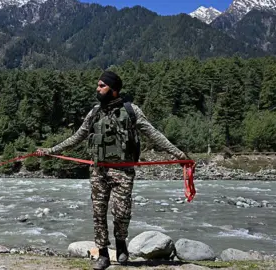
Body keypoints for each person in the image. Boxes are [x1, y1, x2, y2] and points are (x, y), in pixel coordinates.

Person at [37, 70, 189, 270]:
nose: (97, 89)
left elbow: (154, 134)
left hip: (123, 172)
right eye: (98, 85)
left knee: (121, 213)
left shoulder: (132, 111)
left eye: (102, 85)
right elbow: (77, 137)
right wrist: (50, 151)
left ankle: (121, 245)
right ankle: (102, 254)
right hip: (99, 172)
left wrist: (179, 155)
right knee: (98, 214)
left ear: (114, 90)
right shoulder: (94, 113)